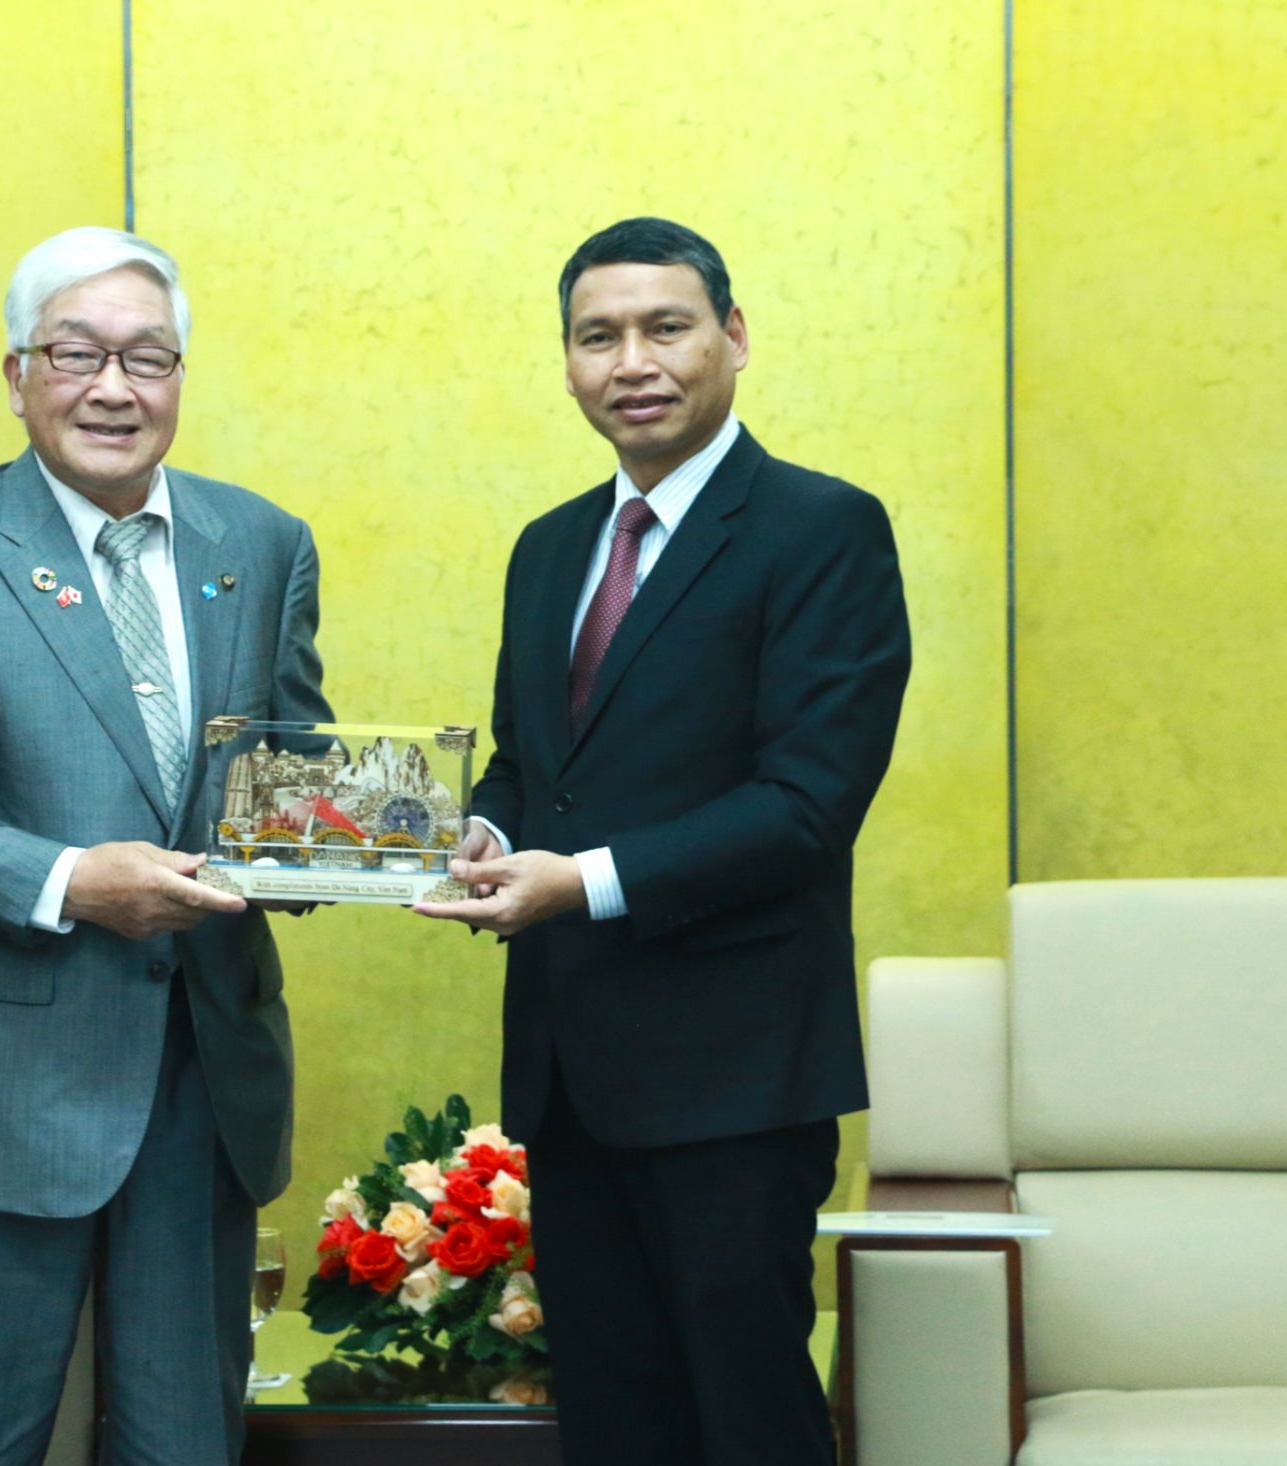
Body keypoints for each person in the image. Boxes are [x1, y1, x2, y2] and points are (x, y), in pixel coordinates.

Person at [0, 225, 331, 1466]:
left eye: (147, 357)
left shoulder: (260, 544)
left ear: (178, 377)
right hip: (0, 1077)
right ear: (17, 375)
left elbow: (294, 761)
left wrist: (372, 840)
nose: (115, 387)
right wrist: (66, 881)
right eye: (78, 353)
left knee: (184, 1443)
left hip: (201, 1076)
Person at [416, 216, 910, 1463]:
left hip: (734, 1077)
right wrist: (471, 836)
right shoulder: (547, 546)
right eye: (597, 336)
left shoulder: (821, 530)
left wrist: (571, 884)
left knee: (746, 1415)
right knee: (615, 1417)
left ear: (731, 339)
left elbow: (805, 802)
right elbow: (536, 772)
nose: (629, 359)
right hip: (572, 1075)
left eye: (664, 326)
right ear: (569, 363)